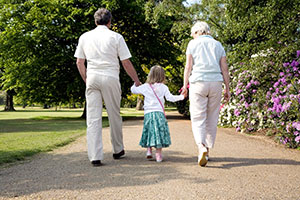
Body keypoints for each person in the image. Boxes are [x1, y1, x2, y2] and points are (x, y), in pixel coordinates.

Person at [74, 8, 141, 167]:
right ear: (110, 22)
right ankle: (118, 149)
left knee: (93, 118)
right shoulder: (116, 37)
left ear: (95, 21)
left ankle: (95, 156)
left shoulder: (85, 36)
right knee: (114, 115)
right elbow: (126, 62)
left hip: (92, 77)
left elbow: (79, 62)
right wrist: (136, 80)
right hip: (110, 77)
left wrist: (86, 79)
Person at [181, 21, 230, 167]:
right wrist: (227, 88)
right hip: (215, 82)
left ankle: (201, 146)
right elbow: (224, 68)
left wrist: (185, 86)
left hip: (198, 83)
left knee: (197, 117)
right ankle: (207, 151)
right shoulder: (218, 44)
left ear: (196, 32)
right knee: (212, 117)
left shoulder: (192, 44)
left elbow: (188, 66)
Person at [131, 65, 184, 162]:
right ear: (162, 76)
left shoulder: (145, 87)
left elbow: (133, 90)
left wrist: (136, 83)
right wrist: (181, 97)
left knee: (149, 131)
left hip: (148, 114)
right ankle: (158, 154)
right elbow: (170, 98)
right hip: (159, 113)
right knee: (158, 132)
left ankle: (149, 150)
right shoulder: (163, 87)